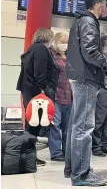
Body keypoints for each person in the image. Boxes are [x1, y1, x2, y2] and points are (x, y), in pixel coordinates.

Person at [64, 0, 107, 186]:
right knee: (84, 127)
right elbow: (91, 51)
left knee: (75, 126)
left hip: (79, 77)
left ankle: (71, 168)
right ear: (98, 3)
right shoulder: (89, 21)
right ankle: (82, 174)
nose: (106, 6)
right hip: (86, 78)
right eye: (104, 2)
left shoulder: (81, 20)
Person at [16, 28, 59, 166]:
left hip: (29, 91)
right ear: (48, 37)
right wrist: (45, 90)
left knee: (32, 124)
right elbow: (39, 72)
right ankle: (27, 156)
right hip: (36, 93)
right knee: (33, 125)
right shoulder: (41, 49)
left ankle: (29, 155)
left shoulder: (33, 49)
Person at [47, 32, 72, 162]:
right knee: (55, 125)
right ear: (56, 42)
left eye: (67, 41)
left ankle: (66, 151)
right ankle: (56, 152)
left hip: (69, 95)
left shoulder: (70, 56)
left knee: (67, 126)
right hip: (56, 94)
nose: (65, 44)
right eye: (62, 41)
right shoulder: (51, 55)